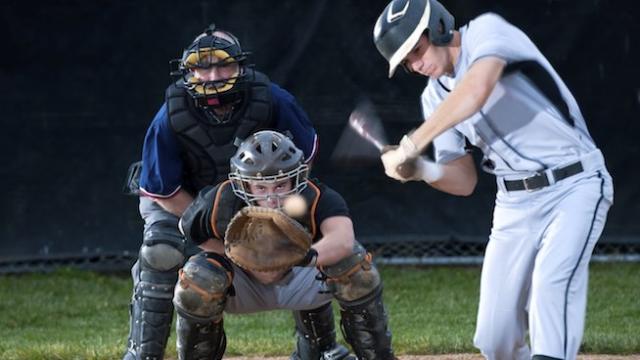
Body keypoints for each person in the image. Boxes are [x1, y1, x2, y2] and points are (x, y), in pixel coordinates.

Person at [372, 1, 613, 359]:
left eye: (416, 50)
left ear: (437, 26)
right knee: (495, 337)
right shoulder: (433, 97)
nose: (415, 64)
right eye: (407, 61)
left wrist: (411, 144)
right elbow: (464, 180)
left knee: (551, 286)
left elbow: (476, 89)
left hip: (574, 183)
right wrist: (420, 171)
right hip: (514, 203)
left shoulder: (487, 31)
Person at [122, 23, 324, 360]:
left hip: (259, 197)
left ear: (241, 66)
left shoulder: (272, 99)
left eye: (222, 64)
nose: (213, 75)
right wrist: (212, 223)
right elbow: (164, 191)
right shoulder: (170, 113)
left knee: (303, 235)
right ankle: (143, 352)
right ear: (188, 71)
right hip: (181, 201)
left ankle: (318, 349)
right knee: (161, 253)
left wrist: (273, 209)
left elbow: (304, 164)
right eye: (202, 67)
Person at [173, 130, 396, 360]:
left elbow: (343, 239)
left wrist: (302, 257)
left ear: (296, 178)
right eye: (261, 188)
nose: (271, 197)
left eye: (280, 185)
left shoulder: (315, 195)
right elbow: (188, 230)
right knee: (198, 279)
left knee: (355, 267)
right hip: (243, 284)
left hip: (299, 274)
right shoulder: (222, 199)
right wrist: (235, 254)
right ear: (244, 184)